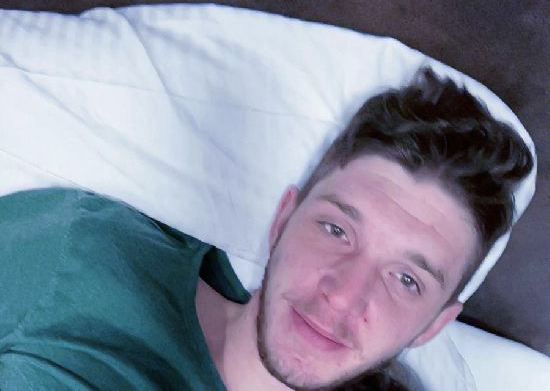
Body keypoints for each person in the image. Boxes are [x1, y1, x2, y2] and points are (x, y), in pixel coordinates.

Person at [0, 68, 533, 391]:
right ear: (283, 220)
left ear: (433, 327)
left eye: (406, 280)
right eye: (337, 230)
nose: (344, 295)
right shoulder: (85, 256)